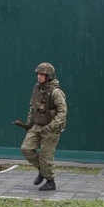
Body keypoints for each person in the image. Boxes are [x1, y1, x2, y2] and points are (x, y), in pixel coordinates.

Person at [14, 62, 67, 192]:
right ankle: (42, 170)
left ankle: (50, 181)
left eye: (42, 74)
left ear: (49, 76)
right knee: (26, 148)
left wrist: (51, 126)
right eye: (38, 74)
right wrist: (29, 123)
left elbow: (63, 112)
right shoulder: (37, 88)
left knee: (46, 155)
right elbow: (32, 107)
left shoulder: (56, 92)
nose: (39, 77)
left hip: (51, 129)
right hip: (37, 125)